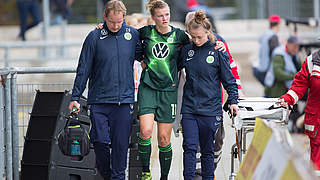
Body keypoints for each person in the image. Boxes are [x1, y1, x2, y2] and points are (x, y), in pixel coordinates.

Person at [136, 1, 225, 179]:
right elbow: (125, 35)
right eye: (160, 16)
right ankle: (145, 171)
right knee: (145, 131)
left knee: (164, 139)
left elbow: (200, 38)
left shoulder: (180, 36)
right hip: (148, 88)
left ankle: (164, 176)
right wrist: (103, 28)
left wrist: (220, 44)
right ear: (153, 18)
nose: (164, 19)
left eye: (167, 14)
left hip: (169, 91)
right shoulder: (145, 32)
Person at [68, 1, 142, 179]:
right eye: (111, 22)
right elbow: (83, 68)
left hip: (123, 102)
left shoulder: (132, 35)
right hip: (99, 101)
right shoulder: (94, 37)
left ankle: (117, 177)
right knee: (99, 141)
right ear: (105, 18)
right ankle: (110, 176)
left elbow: (146, 55)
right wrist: (75, 96)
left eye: (119, 22)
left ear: (124, 18)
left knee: (120, 145)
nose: (116, 26)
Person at [178, 10, 239, 179]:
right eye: (193, 37)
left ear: (208, 33)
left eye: (199, 37)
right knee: (189, 147)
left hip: (210, 109)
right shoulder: (187, 51)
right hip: (190, 108)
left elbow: (229, 80)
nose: (196, 41)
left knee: (207, 151)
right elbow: (171, 70)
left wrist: (233, 100)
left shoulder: (218, 50)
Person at [278, 48, 320, 169]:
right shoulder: (312, 61)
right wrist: (287, 99)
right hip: (317, 124)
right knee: (317, 166)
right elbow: (299, 85)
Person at [253, 14, 281, 86]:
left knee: (268, 91)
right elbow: (275, 54)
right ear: (278, 25)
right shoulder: (273, 36)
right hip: (265, 69)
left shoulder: (265, 34)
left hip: (257, 67)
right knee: (271, 92)